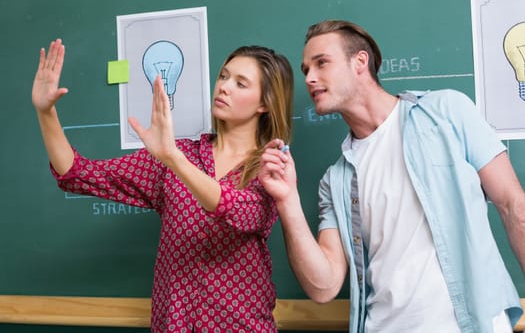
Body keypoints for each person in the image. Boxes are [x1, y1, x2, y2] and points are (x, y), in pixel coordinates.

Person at [259, 19, 525, 333]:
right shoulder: (336, 181)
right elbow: (323, 287)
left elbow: (513, 207)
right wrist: (287, 200)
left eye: (321, 63)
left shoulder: (447, 112)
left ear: (360, 61)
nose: (310, 78)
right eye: (306, 70)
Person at [32, 39, 294, 332]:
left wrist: (173, 159)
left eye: (241, 83)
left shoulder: (271, 166)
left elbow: (235, 209)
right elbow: (78, 175)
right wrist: (46, 113)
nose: (224, 86)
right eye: (224, 76)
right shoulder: (175, 155)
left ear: (265, 103)